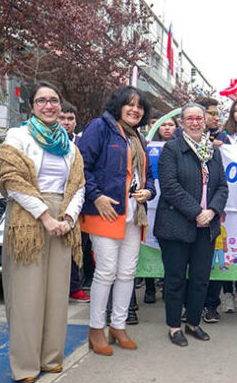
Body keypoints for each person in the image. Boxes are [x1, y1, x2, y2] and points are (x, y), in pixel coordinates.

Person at [0, 81, 85, 381]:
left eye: (54, 100)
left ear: (61, 105)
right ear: (32, 106)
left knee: (56, 295)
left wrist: (70, 218)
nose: (49, 106)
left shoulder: (69, 146)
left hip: (63, 221)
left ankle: (51, 358)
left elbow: (78, 186)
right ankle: (25, 366)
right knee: (26, 295)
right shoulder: (18, 136)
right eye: (41, 100)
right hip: (28, 220)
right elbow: (12, 179)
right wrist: (46, 217)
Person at [77, 86, 155, 355]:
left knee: (127, 273)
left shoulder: (138, 137)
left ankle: (118, 326)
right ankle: (96, 328)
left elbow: (149, 175)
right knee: (106, 271)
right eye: (129, 104)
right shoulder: (99, 127)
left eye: (140, 106)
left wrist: (149, 191)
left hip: (134, 214)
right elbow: (81, 166)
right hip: (106, 212)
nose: (135, 110)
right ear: (118, 105)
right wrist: (96, 196)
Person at [155, 103, 228, 346]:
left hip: (206, 226)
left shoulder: (213, 152)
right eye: (190, 118)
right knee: (175, 279)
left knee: (200, 278)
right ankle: (174, 326)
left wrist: (213, 211)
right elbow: (169, 186)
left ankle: (193, 323)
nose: (195, 122)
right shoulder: (172, 149)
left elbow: (222, 187)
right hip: (177, 225)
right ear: (182, 123)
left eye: (199, 118)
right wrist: (197, 212)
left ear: (205, 120)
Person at [59, 101, 92, 304]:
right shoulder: (44, 141)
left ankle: (75, 286)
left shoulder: (81, 143)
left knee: (78, 246)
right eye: (62, 117)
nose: (66, 122)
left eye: (70, 118)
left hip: (80, 203)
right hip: (54, 201)